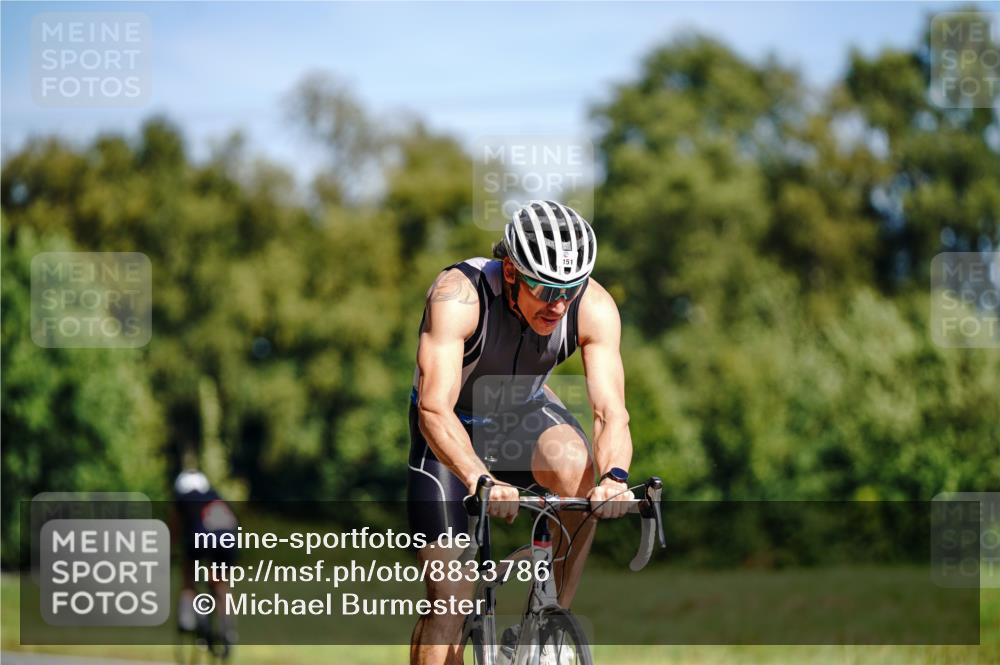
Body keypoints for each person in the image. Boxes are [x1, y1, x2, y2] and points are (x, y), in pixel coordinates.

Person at [408, 200, 634, 665]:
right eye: (545, 287)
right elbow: (434, 408)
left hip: (521, 416)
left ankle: (549, 625)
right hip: (451, 432)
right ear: (510, 271)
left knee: (579, 469)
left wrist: (614, 477)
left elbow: (611, 412)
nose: (558, 304)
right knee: (450, 599)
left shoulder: (593, 307)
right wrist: (477, 477)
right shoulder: (459, 296)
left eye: (569, 289)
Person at [172, 467, 238, 651]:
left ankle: (187, 616)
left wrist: (170, 550)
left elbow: (175, 529)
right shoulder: (216, 496)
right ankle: (228, 628)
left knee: (188, 571)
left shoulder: (183, 498)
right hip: (229, 537)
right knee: (220, 582)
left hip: (201, 536)